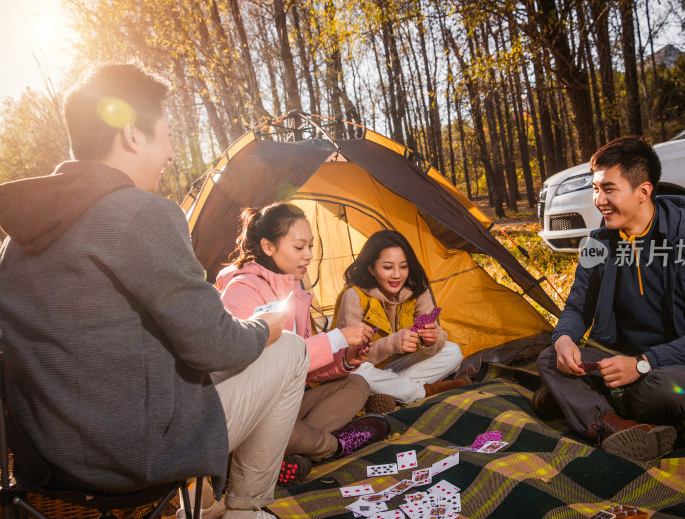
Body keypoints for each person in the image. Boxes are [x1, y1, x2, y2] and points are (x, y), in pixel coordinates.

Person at [0, 63, 309, 519]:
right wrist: (265, 327)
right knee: (292, 350)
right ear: (131, 135)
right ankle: (247, 508)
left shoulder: (18, 239)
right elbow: (216, 345)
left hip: (46, 465)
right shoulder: (141, 213)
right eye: (166, 135)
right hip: (131, 459)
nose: (169, 153)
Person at [535, 136, 685, 463]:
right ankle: (616, 424)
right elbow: (578, 306)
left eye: (609, 189)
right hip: (623, 358)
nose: (599, 200)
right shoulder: (598, 244)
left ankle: (586, 402)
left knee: (665, 390)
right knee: (549, 358)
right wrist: (565, 338)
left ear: (643, 191)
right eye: (595, 189)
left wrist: (643, 364)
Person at [217, 202, 390, 486]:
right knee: (278, 428)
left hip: (287, 405)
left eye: (310, 246)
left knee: (357, 384)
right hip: (252, 412)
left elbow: (303, 368)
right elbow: (262, 363)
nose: (309, 255)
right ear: (268, 246)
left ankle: (290, 450)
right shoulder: (242, 290)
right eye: (299, 248)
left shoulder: (294, 288)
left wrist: (345, 358)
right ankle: (328, 446)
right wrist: (336, 337)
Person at [333, 230, 468, 413]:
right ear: (371, 268)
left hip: (397, 367)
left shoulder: (417, 291)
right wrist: (392, 343)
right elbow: (349, 357)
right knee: (356, 373)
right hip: (364, 366)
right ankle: (422, 391)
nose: (397, 275)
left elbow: (438, 336)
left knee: (453, 352)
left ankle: (386, 392)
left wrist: (433, 340)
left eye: (403, 267)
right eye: (388, 267)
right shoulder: (354, 296)